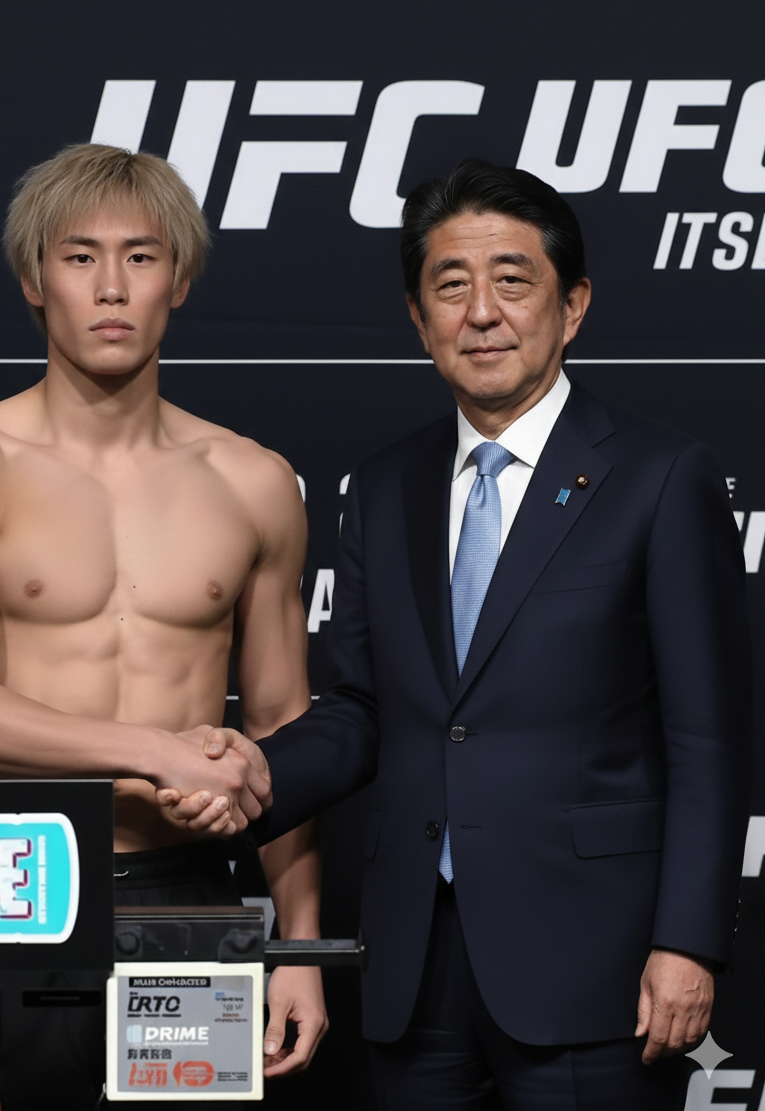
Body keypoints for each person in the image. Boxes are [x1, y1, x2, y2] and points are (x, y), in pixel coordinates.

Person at [169, 159, 751, 1109]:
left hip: (595, 965)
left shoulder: (660, 476)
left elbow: (707, 738)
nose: (482, 312)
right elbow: (361, 709)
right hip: (413, 962)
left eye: (513, 280)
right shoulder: (385, 485)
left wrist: (687, 943)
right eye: (451, 286)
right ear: (418, 317)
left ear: (572, 306)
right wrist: (255, 772)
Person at [0, 142, 327, 1104]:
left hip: (190, 895)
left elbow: (284, 729)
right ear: (35, 280)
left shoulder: (255, 482)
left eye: (141, 256)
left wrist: (299, 944)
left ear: (181, 279)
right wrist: (154, 753)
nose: (112, 287)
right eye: (79, 257)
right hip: (9, 885)